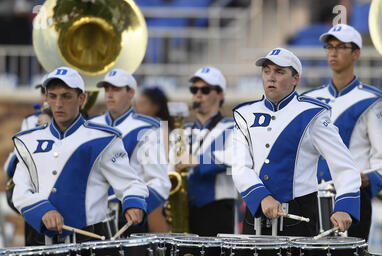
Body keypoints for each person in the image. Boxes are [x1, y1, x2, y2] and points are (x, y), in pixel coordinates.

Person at [232, 48, 361, 237]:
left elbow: (344, 165)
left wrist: (344, 206)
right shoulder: (245, 114)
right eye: (266, 71)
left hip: (300, 214)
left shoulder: (312, 114)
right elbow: (239, 166)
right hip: (256, 212)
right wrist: (262, 197)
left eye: (279, 72)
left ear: (295, 79)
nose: (271, 77)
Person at [11, 66, 148, 243]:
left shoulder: (103, 139)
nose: (59, 104)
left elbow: (130, 184)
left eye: (66, 96)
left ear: (81, 98)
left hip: (89, 243)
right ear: (46, 98)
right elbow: (20, 190)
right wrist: (43, 210)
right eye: (53, 96)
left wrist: (133, 204)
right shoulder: (28, 140)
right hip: (40, 241)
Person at [302, 24, 382, 240]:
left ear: (356, 53)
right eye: (329, 47)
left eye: (340, 47)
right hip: (311, 196)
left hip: (353, 196)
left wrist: (368, 177)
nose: (333, 52)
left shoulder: (372, 100)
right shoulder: (310, 99)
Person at [91, 69, 171, 234]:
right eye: (107, 89)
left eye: (116, 89)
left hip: (127, 215)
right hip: (91, 215)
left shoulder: (147, 128)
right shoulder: (91, 125)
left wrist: (138, 206)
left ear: (131, 92)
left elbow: (159, 181)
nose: (109, 94)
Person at [172, 66, 238, 237]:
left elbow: (236, 157)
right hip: (185, 209)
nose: (198, 94)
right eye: (194, 89)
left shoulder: (233, 127)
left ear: (220, 95)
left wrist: (199, 160)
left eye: (205, 89)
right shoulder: (181, 131)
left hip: (218, 211)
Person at [4, 74, 53, 246]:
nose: (45, 97)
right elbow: (19, 159)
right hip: (35, 198)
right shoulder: (30, 121)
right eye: (43, 92)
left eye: (50, 92)